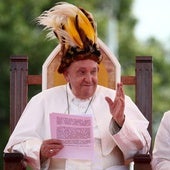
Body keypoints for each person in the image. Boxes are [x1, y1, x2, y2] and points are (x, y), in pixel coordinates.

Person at [4, 2, 151, 170]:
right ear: (67, 74)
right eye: (81, 72)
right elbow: (15, 146)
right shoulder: (42, 101)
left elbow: (142, 149)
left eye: (93, 71)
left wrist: (120, 121)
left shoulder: (117, 101)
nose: (89, 78)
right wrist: (39, 150)